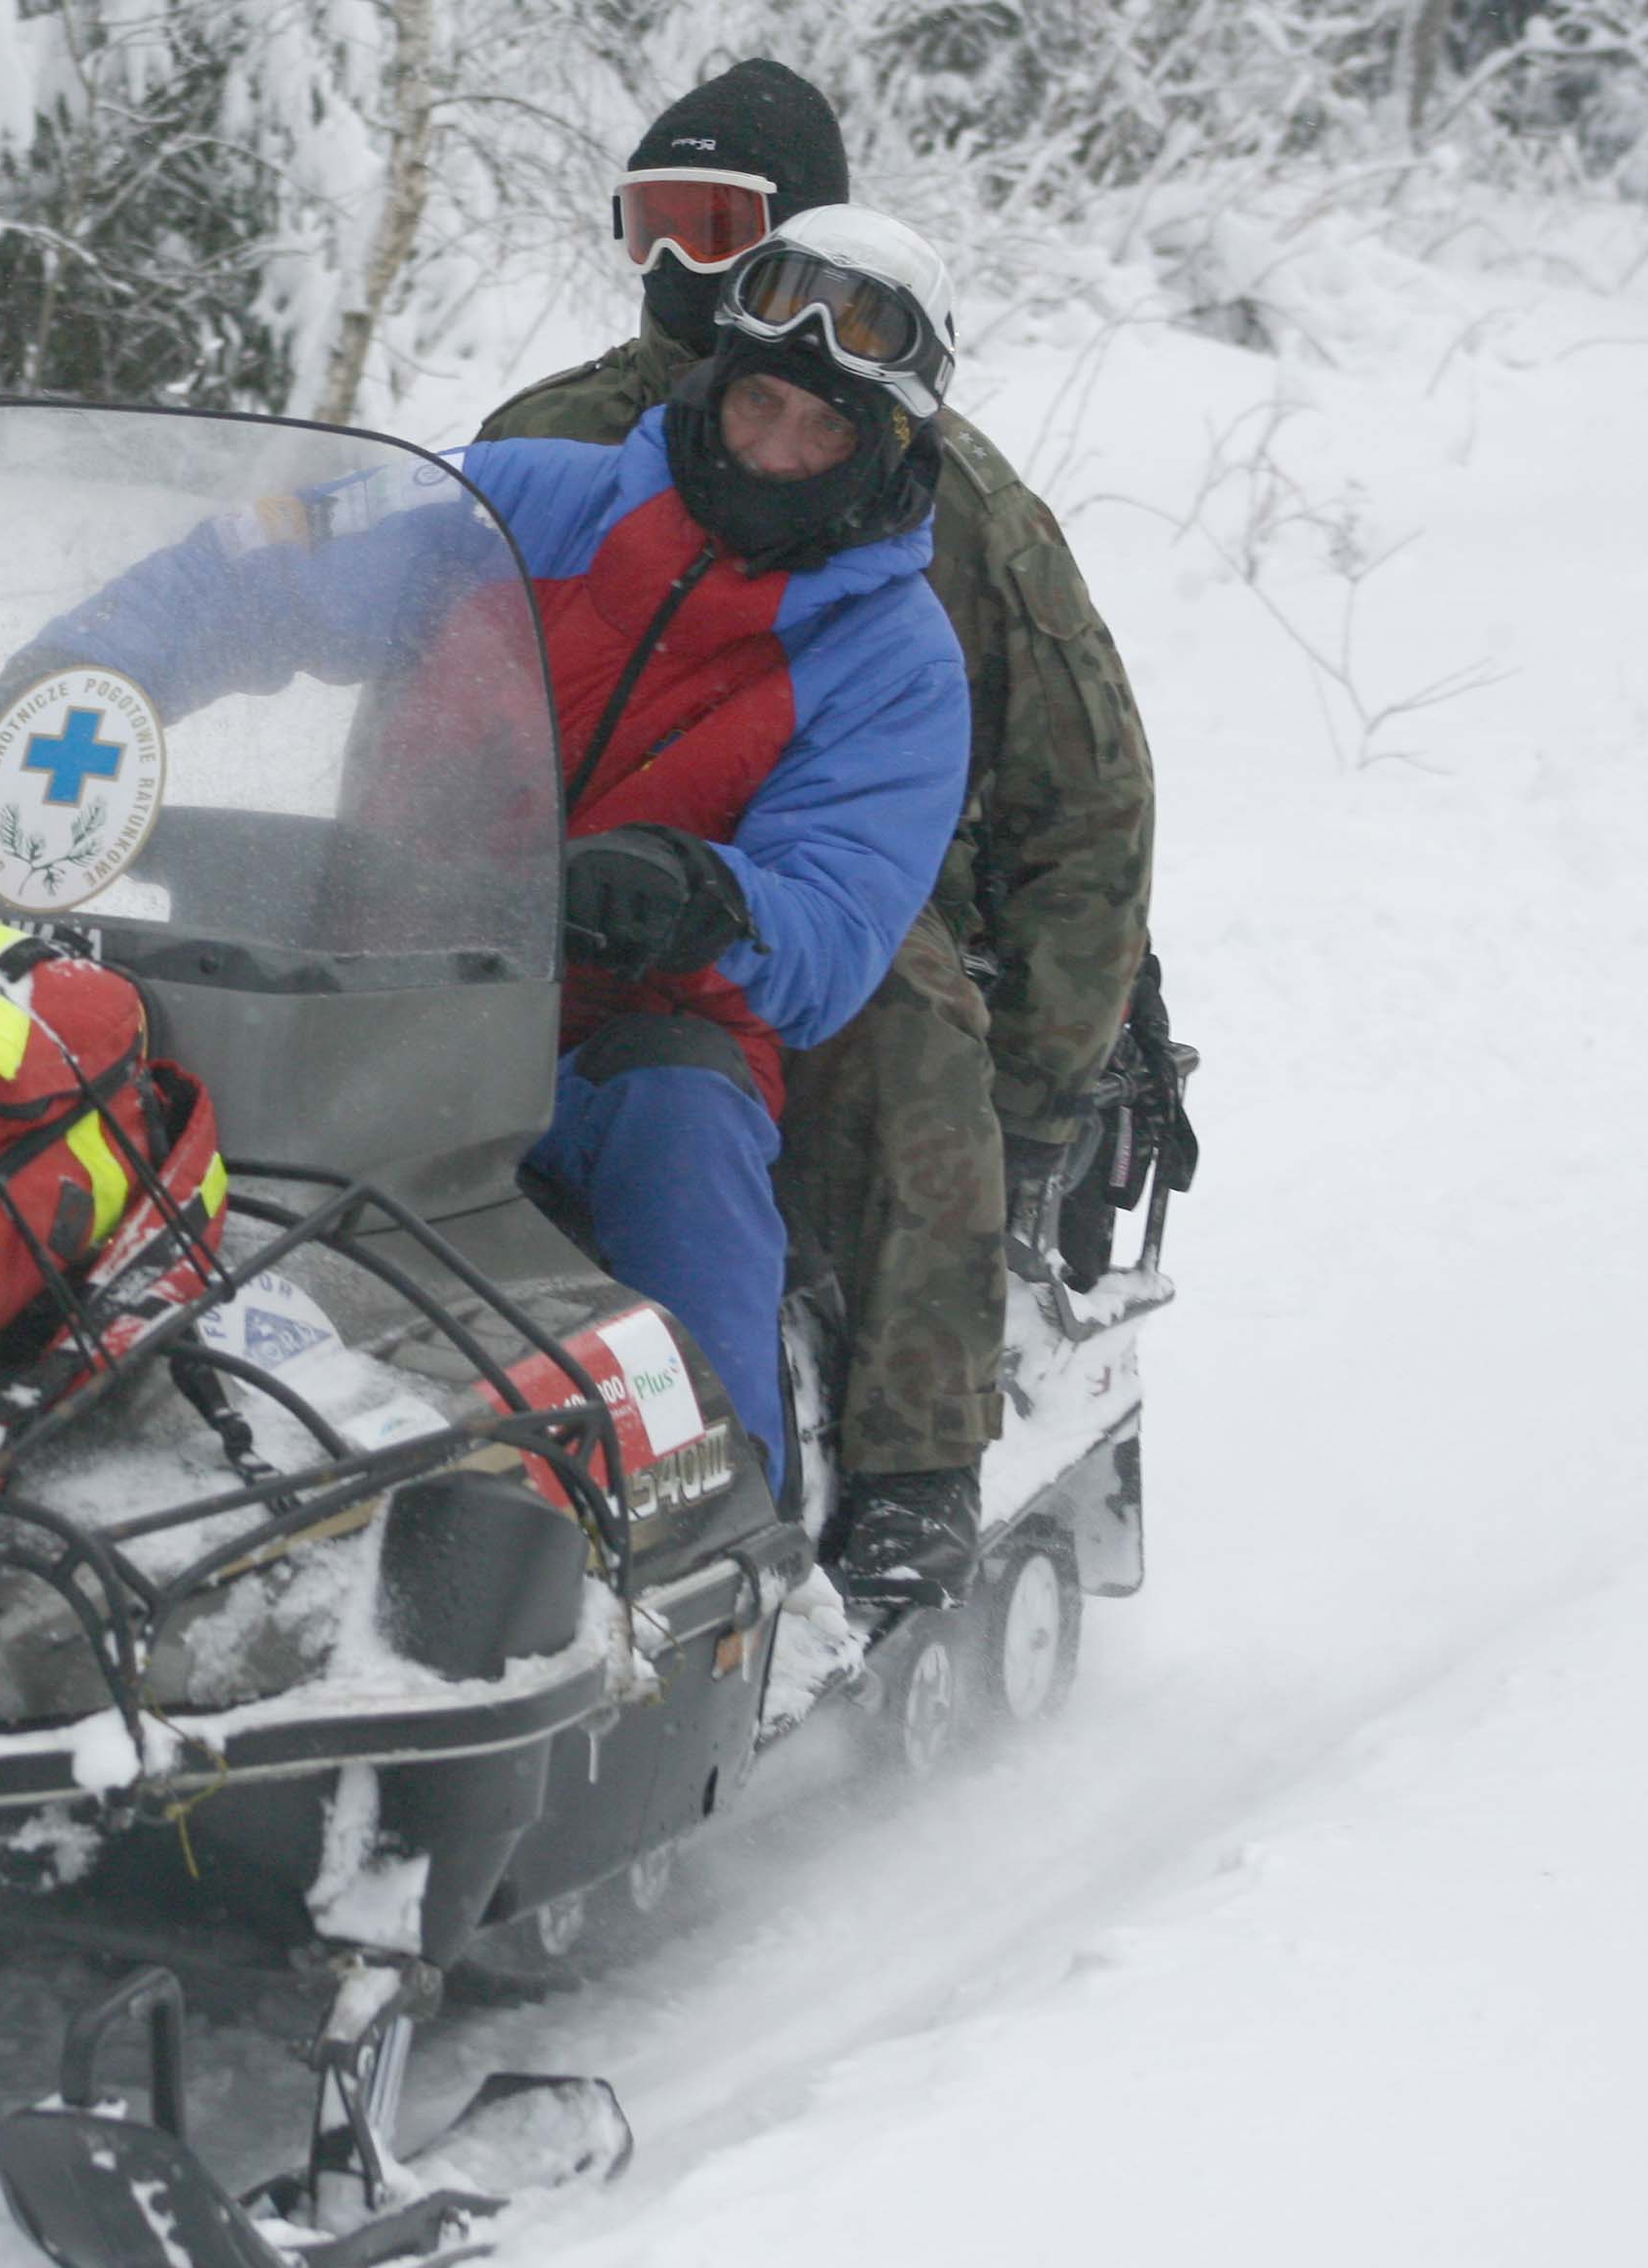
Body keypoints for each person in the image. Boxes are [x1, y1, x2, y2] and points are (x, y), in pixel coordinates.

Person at [3, 203, 973, 1497]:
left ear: (882, 454)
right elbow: (264, 564)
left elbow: (839, 923)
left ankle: (732, 1530)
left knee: (686, 1129)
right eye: (761, 405)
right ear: (717, 381)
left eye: (826, 431)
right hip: (376, 978)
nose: (778, 448)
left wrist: (708, 893)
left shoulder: (893, 658)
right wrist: (69, 688)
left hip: (614, 1040)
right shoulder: (519, 499)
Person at [478, 61, 1157, 1610]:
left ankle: (914, 1456)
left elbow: (1088, 788)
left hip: (826, 864)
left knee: (905, 1010)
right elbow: (398, 587)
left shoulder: (950, 505)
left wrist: (1041, 1093)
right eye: (650, 224)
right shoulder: (565, 437)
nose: (676, 269)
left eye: (717, 228)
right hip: (535, 857)